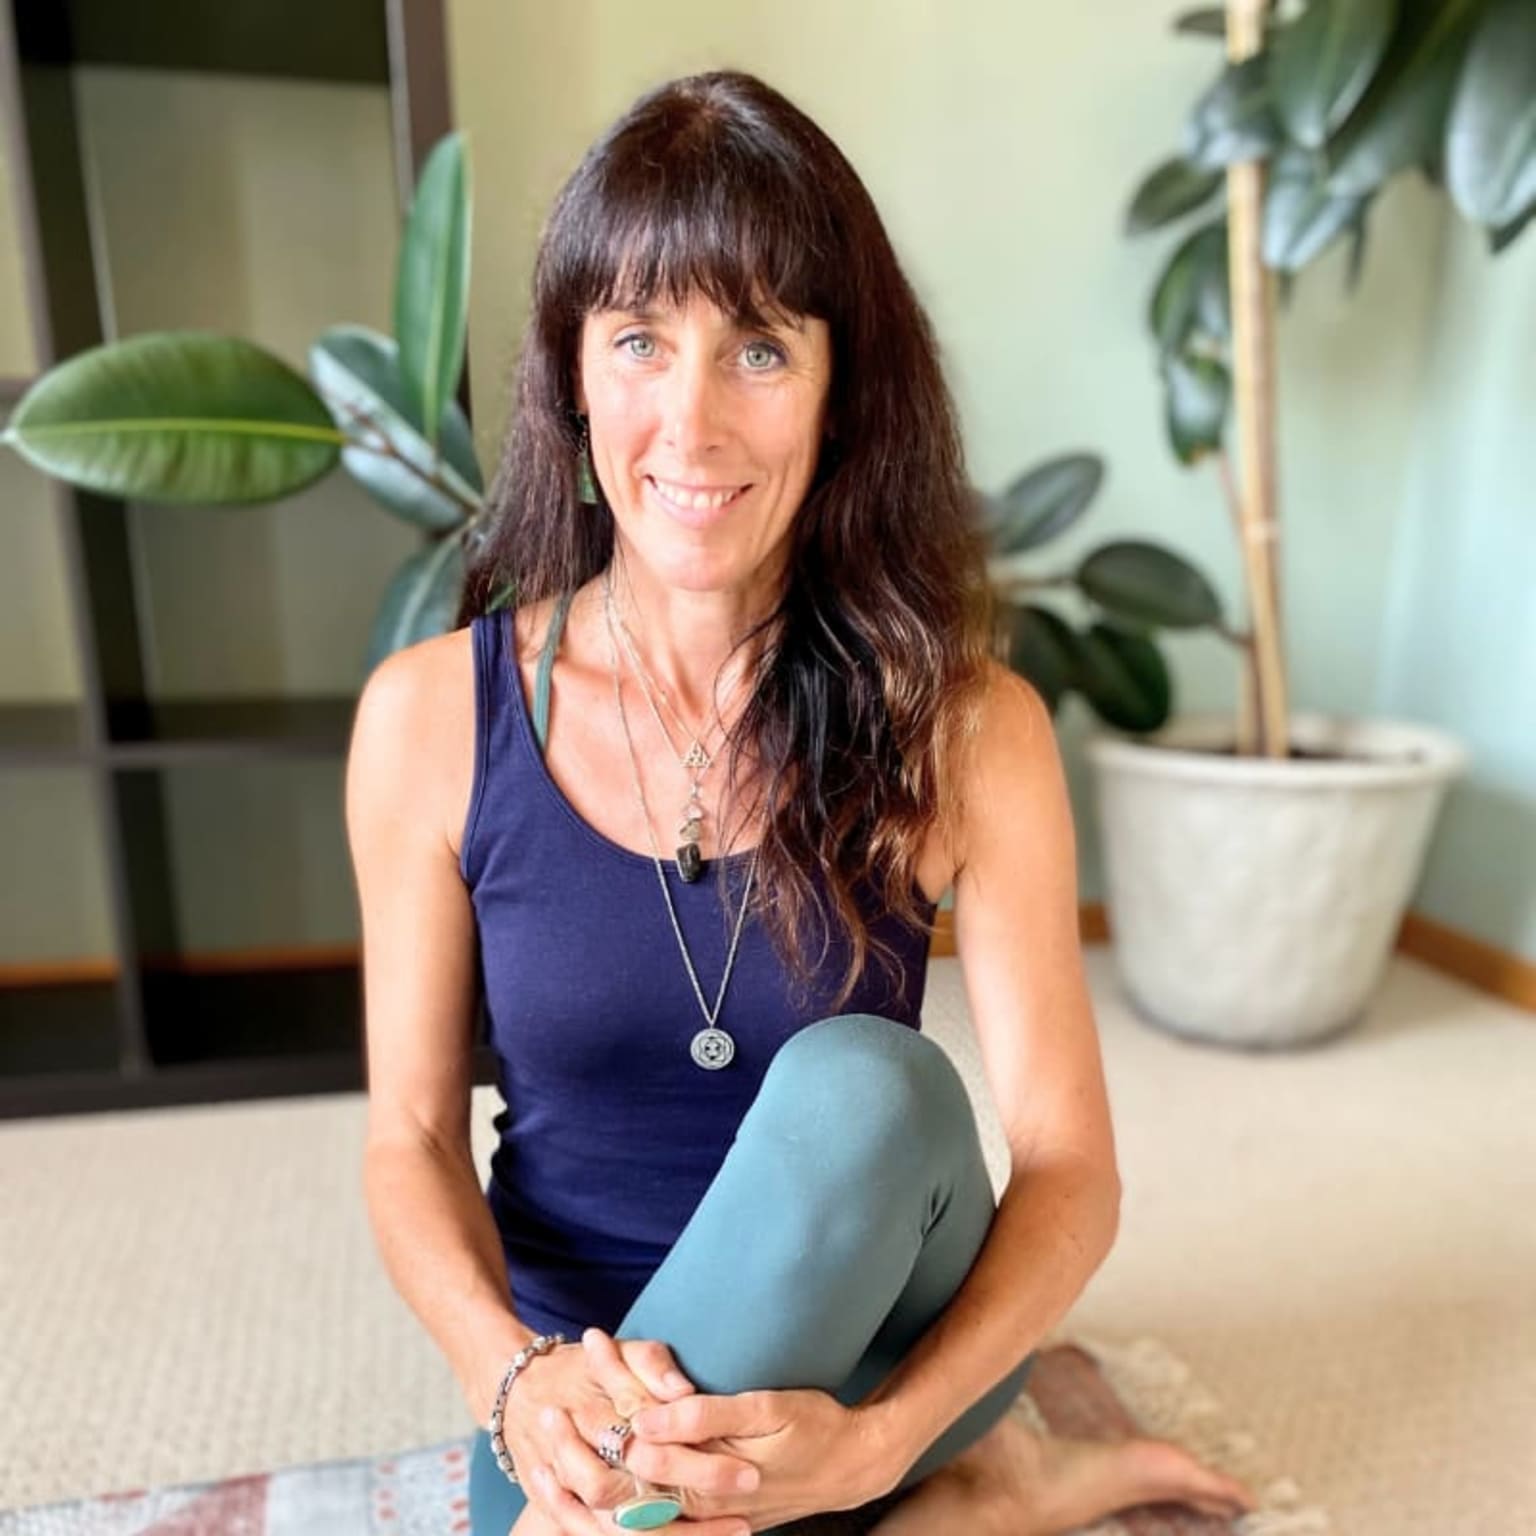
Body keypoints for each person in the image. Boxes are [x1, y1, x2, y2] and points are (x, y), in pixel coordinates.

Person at [345, 69, 1256, 1536]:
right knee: (628, 1502)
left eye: (759, 348)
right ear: (573, 378)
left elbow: (1072, 1169)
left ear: (842, 397)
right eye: (640, 341)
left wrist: (883, 1445)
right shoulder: (429, 721)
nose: (691, 422)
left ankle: (930, 1472)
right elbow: (410, 1138)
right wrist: (507, 1378)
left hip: (880, 1370)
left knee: (868, 1086)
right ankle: (984, 1500)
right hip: (581, 1395)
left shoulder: (970, 731)